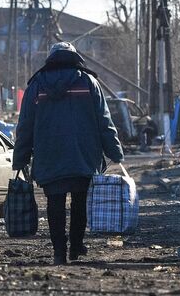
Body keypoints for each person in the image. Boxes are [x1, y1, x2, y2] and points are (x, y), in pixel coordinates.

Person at [12, 43, 123, 265]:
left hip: (49, 156)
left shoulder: (36, 85)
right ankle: (76, 247)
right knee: (80, 203)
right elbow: (104, 121)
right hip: (83, 155)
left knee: (55, 204)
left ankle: (59, 253)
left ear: (51, 59)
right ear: (75, 58)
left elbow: (25, 125)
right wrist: (115, 151)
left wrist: (21, 157)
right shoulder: (89, 82)